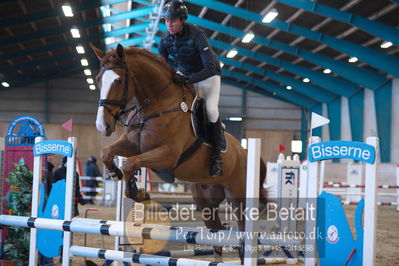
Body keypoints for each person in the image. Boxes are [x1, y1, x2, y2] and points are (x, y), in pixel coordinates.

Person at [158, 0, 223, 177]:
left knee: (211, 111)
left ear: (182, 20)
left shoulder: (197, 35)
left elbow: (209, 67)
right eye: (166, 21)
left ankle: (217, 158)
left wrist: (187, 79)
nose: (169, 24)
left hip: (209, 76)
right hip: (185, 74)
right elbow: (161, 64)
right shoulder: (165, 38)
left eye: (173, 20)